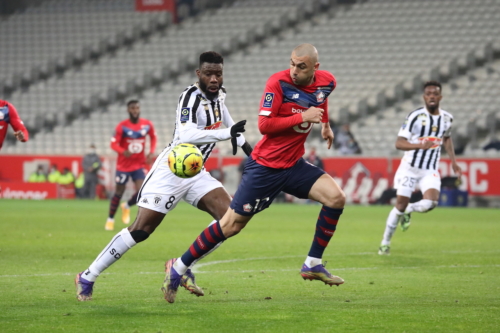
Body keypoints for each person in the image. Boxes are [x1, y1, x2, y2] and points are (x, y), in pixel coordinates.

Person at [162, 43, 347, 303]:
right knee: (230, 225)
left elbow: (321, 99)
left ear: (315, 68)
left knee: (336, 198)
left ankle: (313, 263)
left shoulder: (327, 81)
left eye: (301, 66)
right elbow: (264, 126)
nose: (294, 70)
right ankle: (178, 267)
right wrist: (303, 116)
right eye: (292, 63)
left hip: (293, 164)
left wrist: (325, 125)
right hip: (265, 167)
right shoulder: (277, 83)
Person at [75, 51, 252, 301]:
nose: (214, 79)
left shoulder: (220, 96)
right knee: (141, 230)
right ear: (199, 74)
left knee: (230, 219)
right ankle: (88, 276)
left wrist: (251, 153)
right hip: (171, 170)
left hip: (196, 171)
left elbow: (232, 126)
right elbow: (187, 134)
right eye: (209, 74)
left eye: (219, 74)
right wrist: (226, 134)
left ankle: (179, 267)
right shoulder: (190, 97)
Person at [378, 81, 462, 255]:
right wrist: (419, 146)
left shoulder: (447, 118)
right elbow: (399, 143)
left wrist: (453, 161)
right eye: (428, 94)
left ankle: (410, 209)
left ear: (440, 97)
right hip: (410, 168)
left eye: (435, 93)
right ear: (424, 97)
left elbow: (447, 138)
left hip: (429, 169)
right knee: (400, 205)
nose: (432, 96)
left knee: (431, 203)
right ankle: (385, 243)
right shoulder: (415, 117)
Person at [105, 100, 157, 231]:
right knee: (119, 192)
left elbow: (153, 138)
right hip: (123, 166)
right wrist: (123, 151)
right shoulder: (121, 126)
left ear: (139, 109)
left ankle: (127, 206)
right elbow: (113, 144)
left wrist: (151, 152)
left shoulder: (147, 125)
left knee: (142, 191)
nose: (135, 110)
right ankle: (110, 219)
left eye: (137, 108)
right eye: (132, 108)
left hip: (139, 165)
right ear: (128, 110)